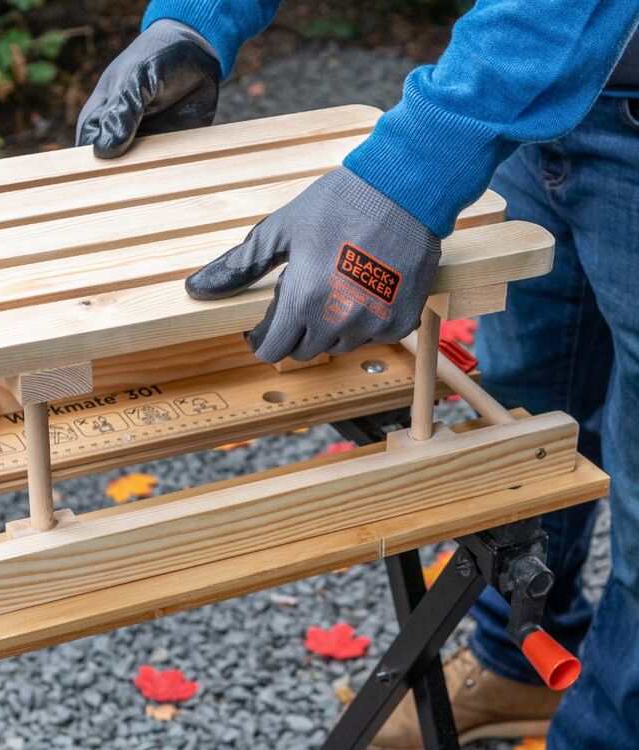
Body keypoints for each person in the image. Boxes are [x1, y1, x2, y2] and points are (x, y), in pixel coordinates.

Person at [76, 2, 639, 748]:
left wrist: (410, 176)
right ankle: (516, 664)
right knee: (527, 403)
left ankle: (607, 729)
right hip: (537, 104)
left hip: (550, 71)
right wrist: (198, 22)